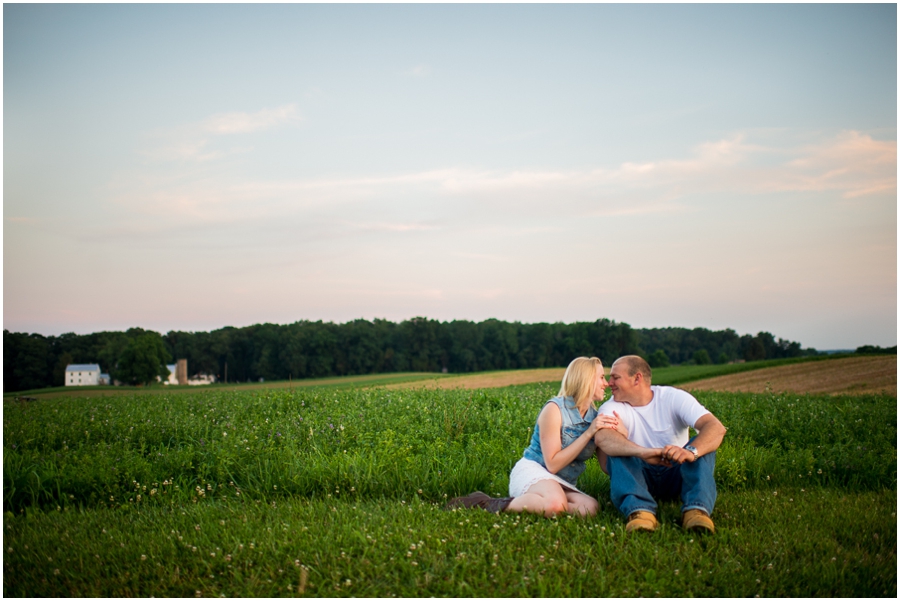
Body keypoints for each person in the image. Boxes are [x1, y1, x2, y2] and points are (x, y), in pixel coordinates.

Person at [447, 356, 624, 516]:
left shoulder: (595, 418)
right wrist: (589, 433)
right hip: (534, 471)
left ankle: (546, 505)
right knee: (555, 504)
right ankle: (488, 503)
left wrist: (624, 435)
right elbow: (552, 465)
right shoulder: (555, 409)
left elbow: (606, 466)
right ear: (586, 379)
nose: (606, 383)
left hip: (562, 483)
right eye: (601, 377)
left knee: (589, 509)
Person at [594, 355, 726, 533]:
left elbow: (716, 428)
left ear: (637, 378)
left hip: (677, 472)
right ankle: (640, 513)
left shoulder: (672, 397)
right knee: (618, 447)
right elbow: (602, 438)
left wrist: (690, 452)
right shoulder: (612, 407)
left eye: (615, 377)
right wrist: (643, 452)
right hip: (639, 476)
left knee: (702, 446)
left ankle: (696, 511)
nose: (609, 383)